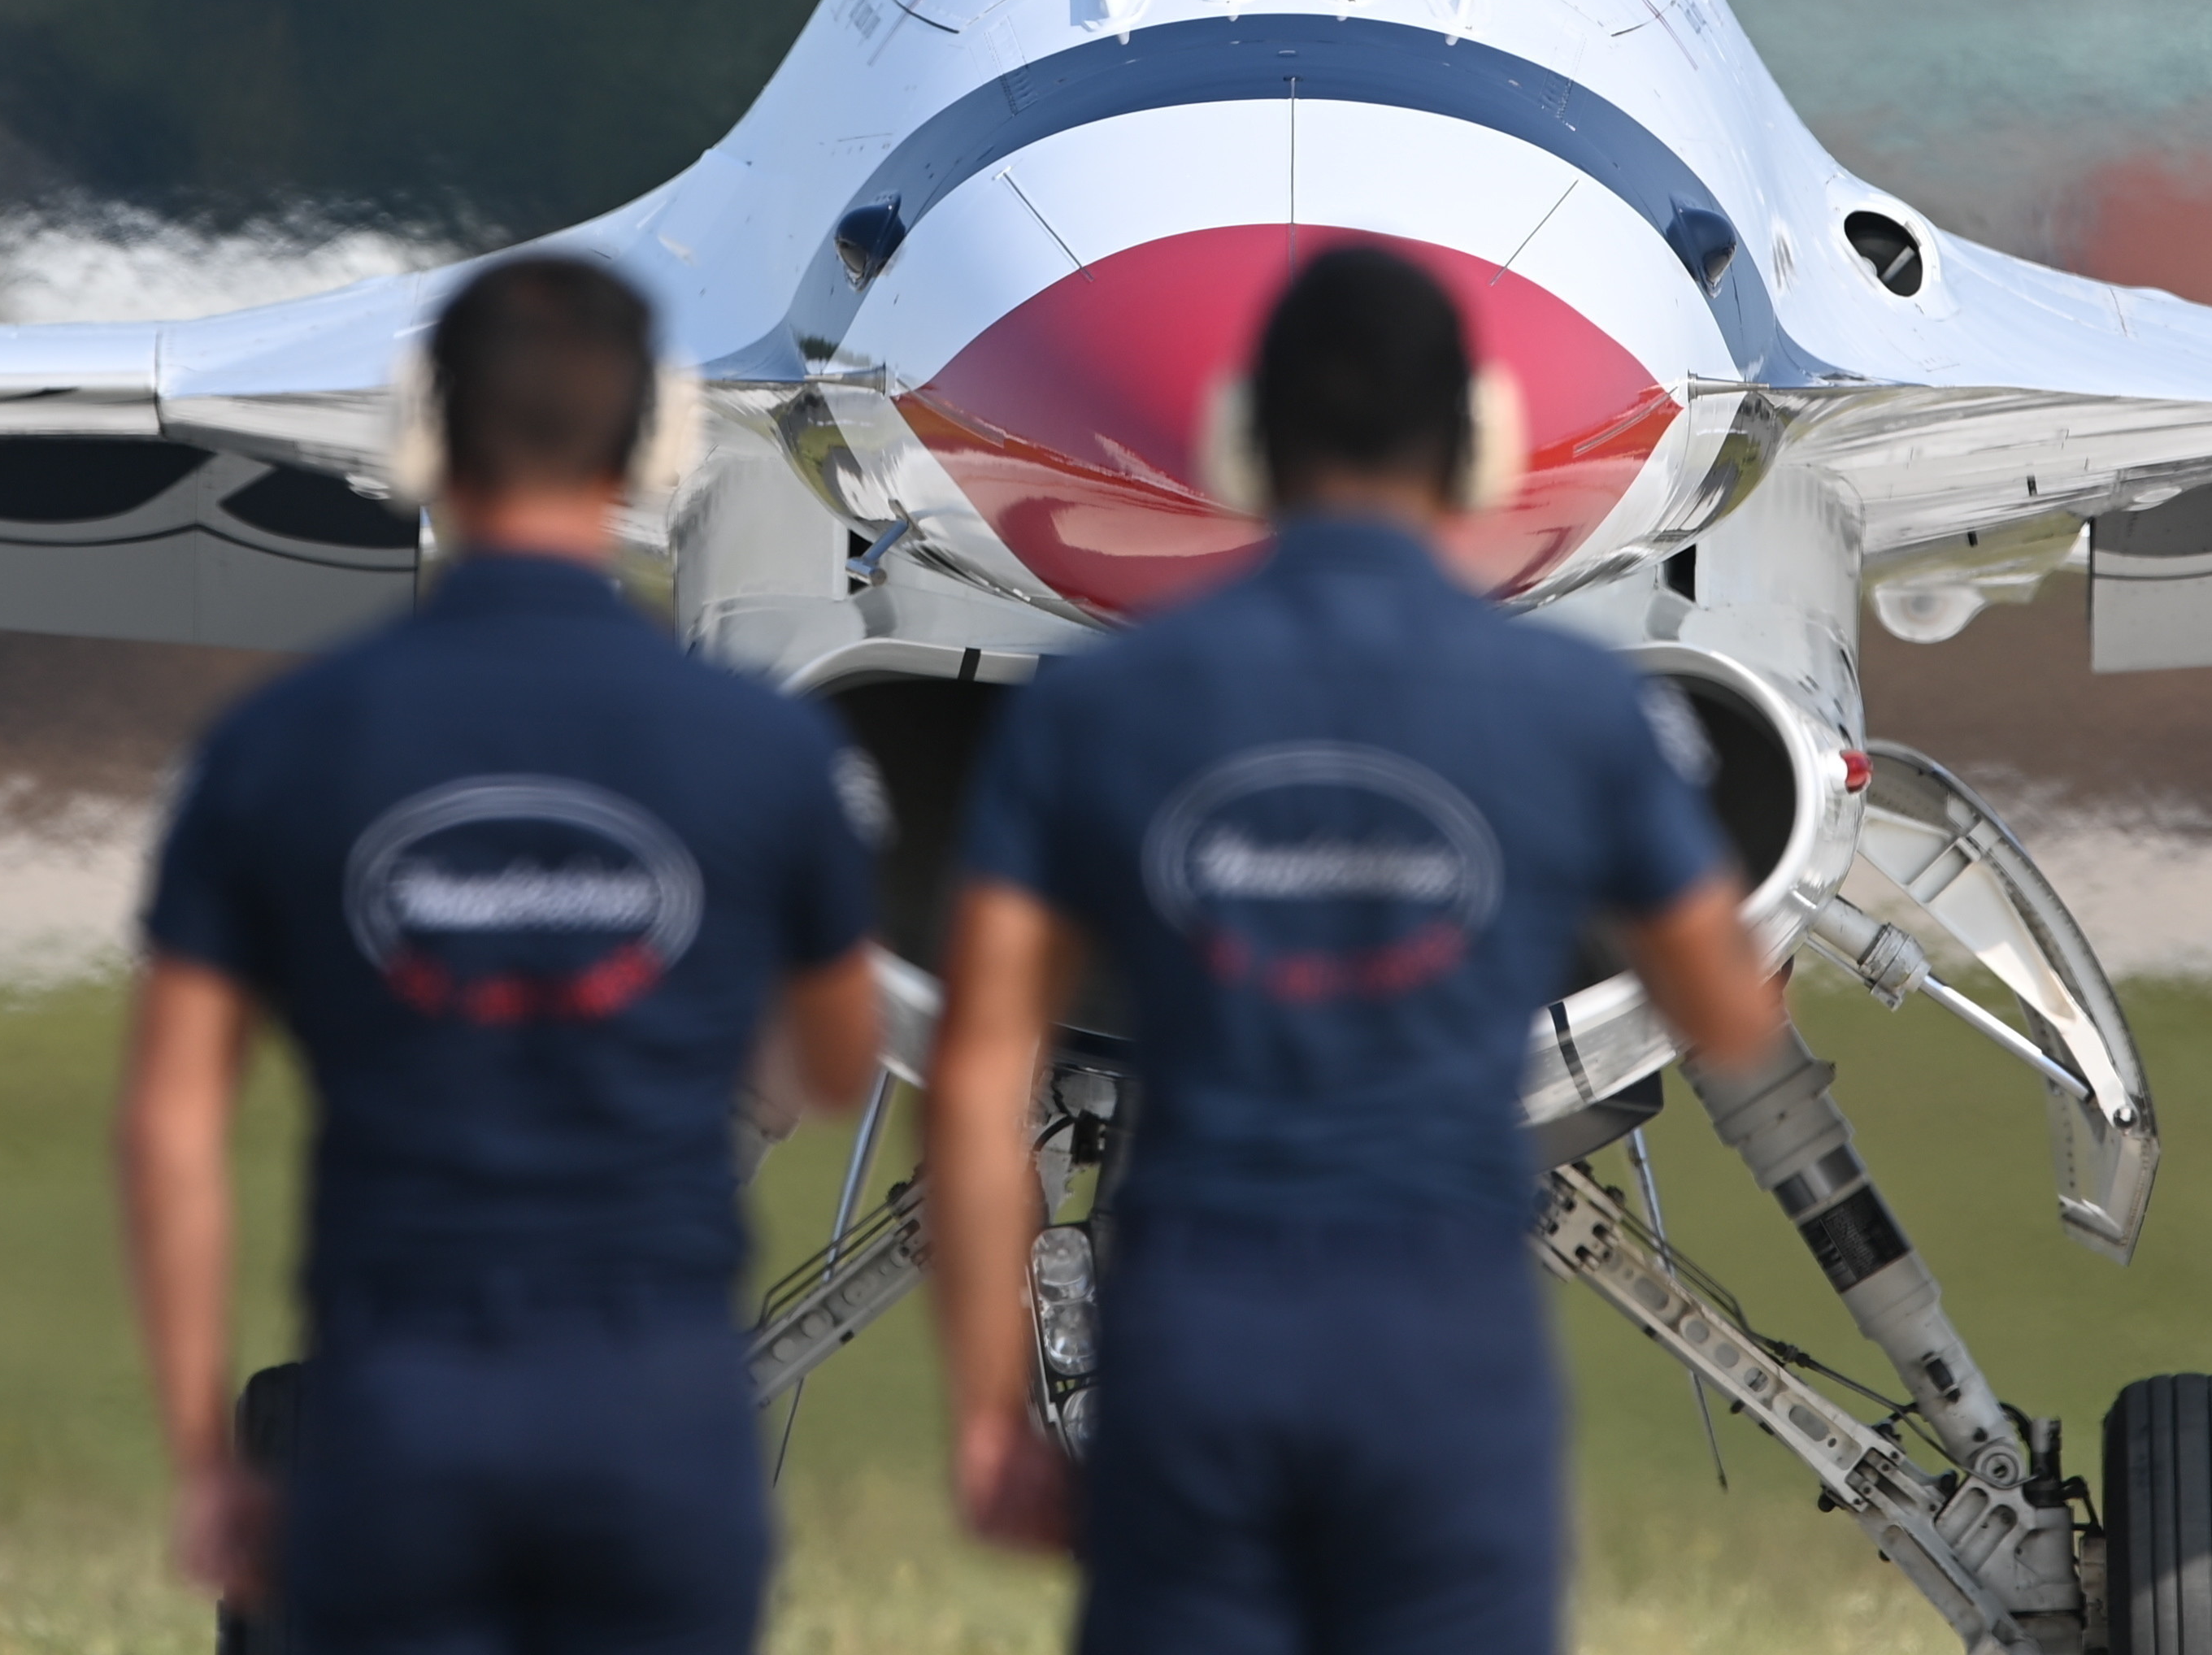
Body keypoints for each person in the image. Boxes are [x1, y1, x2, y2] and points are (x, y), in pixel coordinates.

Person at [924, 244, 1787, 1655]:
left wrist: (986, 1413)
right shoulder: (1573, 708)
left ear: (1243, 442)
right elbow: (1730, 1014)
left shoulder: (1096, 709)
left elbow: (974, 1081)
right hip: (1442, 1340)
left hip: (1197, 1334)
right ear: (1478, 444)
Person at [116, 254, 884, 1655]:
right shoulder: (767, 754)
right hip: (653, 1431)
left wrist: (203, 1455)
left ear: (425, 435)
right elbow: (838, 1058)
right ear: (654, 445)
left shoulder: (280, 750)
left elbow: (173, 1121)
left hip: (396, 1419)